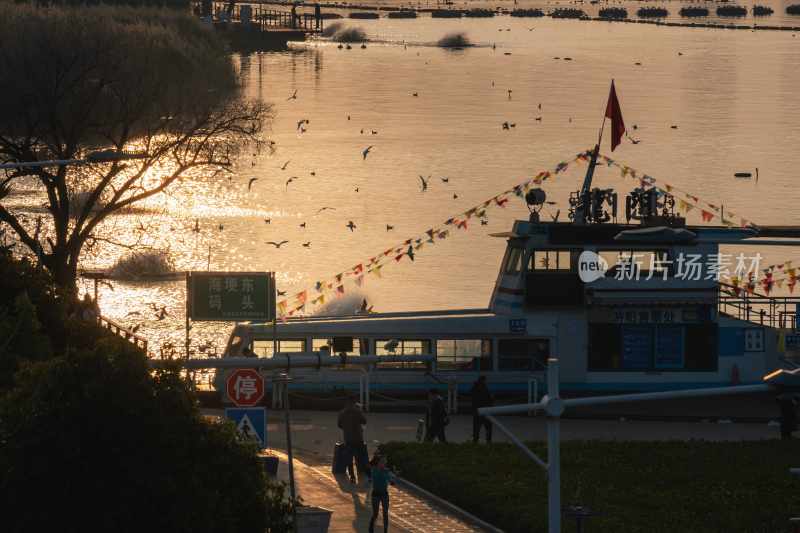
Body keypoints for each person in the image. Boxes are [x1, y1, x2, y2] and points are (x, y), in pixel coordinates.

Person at [337, 397, 367, 483]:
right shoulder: (357, 412)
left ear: (346, 403)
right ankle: (361, 473)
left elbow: (339, 425)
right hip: (358, 438)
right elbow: (364, 421)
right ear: (354, 403)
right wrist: (360, 411)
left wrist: (347, 428)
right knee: (359, 457)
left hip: (348, 438)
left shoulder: (342, 413)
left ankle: (352, 476)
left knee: (349, 458)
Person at [368, 453, 394, 533]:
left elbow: (390, 479)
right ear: (378, 462)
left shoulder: (386, 471)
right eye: (382, 462)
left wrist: (391, 481)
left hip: (384, 494)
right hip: (375, 494)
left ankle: (385, 530)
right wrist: (383, 471)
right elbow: (374, 477)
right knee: (375, 514)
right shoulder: (374, 470)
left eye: (385, 462)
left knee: (385, 513)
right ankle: (371, 528)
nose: (384, 463)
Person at [470, 376, 493, 443]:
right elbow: (487, 399)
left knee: (476, 428)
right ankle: (488, 441)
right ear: (483, 380)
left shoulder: (475, 388)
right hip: (485, 411)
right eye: (485, 380)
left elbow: (472, 397)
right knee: (488, 427)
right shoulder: (484, 388)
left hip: (477, 411)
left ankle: (475, 440)